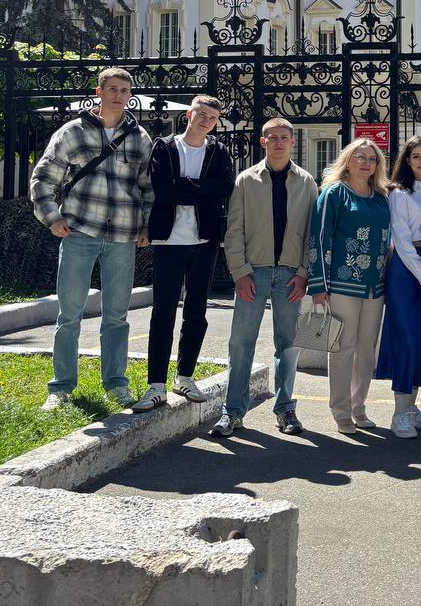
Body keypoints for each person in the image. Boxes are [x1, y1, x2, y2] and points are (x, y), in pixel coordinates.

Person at [30, 67, 153, 411]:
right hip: (79, 231)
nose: (118, 95)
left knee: (117, 316)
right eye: (112, 89)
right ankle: (60, 388)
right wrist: (51, 217)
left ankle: (116, 383)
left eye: (124, 90)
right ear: (99, 92)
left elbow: (148, 187)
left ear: (130, 95)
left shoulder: (139, 137)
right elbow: (44, 177)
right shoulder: (73, 132)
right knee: (69, 314)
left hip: (123, 236)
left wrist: (147, 226)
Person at [211, 118, 317, 438]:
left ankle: (285, 410)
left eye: (285, 137)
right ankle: (232, 412)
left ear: (293, 142)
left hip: (290, 275)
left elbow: (312, 234)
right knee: (241, 344)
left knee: (288, 345)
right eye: (273, 137)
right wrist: (240, 272)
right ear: (263, 142)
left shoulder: (306, 182)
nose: (279, 142)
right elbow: (234, 230)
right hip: (253, 273)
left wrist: (303, 273)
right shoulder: (246, 180)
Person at [133, 95, 235, 412]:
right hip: (168, 241)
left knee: (196, 312)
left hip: (204, 241)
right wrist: (202, 188)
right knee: (163, 313)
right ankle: (156, 386)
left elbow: (224, 187)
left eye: (212, 118)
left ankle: (185, 378)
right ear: (190, 114)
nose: (206, 121)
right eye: (202, 114)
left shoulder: (218, 151)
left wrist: (186, 185)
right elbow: (164, 191)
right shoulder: (165, 147)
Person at [307, 138, 392, 434]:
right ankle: (341, 409)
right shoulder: (334, 193)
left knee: (367, 349)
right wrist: (318, 284)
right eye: (360, 157)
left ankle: (359, 406)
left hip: (375, 287)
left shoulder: (381, 197)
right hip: (342, 284)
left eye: (372, 158)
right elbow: (319, 238)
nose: (366, 163)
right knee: (343, 347)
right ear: (348, 160)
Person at [376, 136, 421, 438]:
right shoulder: (399, 193)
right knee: (404, 337)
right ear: (406, 160)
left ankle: (412, 407)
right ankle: (399, 412)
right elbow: (402, 240)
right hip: (407, 271)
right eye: (416, 156)